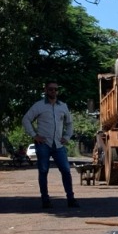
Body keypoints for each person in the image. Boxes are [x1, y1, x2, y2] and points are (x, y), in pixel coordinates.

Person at [21, 81, 78, 209]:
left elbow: (69, 123)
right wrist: (34, 135)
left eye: (56, 89)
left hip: (58, 144)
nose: (53, 92)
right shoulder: (39, 106)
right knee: (43, 171)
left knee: (66, 170)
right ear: (45, 90)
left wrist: (67, 137)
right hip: (43, 144)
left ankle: (71, 198)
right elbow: (26, 119)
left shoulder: (63, 106)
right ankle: (45, 199)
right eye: (51, 89)